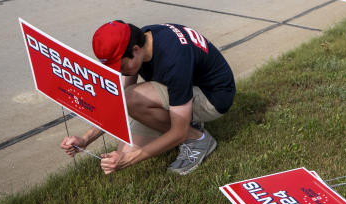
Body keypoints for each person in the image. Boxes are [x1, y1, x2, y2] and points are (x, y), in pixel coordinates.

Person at [60, 20, 235, 175]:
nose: (119, 72)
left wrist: (130, 160)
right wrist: (85, 139)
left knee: (134, 106)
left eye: (120, 66)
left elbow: (177, 133)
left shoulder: (173, 60)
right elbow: (119, 103)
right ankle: (187, 118)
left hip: (213, 97)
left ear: (135, 50)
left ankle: (198, 139)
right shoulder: (140, 41)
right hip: (186, 86)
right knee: (124, 151)